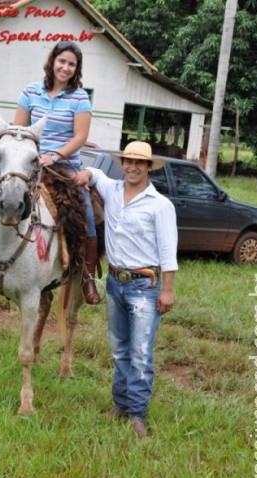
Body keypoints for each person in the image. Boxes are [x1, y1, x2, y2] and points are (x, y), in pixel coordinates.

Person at [0, 42, 101, 305]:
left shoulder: (80, 98)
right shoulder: (31, 91)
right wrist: (28, 157)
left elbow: (81, 137)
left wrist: (55, 156)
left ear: (76, 69)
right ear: (52, 61)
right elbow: (18, 130)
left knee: (87, 210)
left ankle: (86, 277)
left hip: (63, 166)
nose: (66, 67)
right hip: (28, 161)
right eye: (62, 61)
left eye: (71, 64)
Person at [75, 141, 178, 438]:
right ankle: (120, 405)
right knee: (120, 349)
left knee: (141, 351)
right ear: (122, 163)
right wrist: (86, 175)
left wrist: (167, 291)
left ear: (148, 168)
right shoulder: (113, 190)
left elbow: (168, 252)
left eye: (139, 163)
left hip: (145, 286)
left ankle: (137, 414)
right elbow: (95, 174)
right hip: (115, 284)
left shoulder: (160, 205)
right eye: (128, 161)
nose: (133, 166)